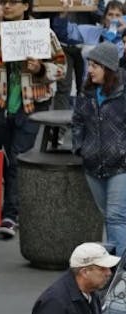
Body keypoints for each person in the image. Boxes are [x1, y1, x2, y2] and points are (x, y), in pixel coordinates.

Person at [0, 0, 66, 239]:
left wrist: (40, 69)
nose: (7, 6)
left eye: (13, 2)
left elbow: (61, 67)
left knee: (17, 156)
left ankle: (11, 214)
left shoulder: (42, 32)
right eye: (4, 2)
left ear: (25, 5)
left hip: (32, 103)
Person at [72, 42, 126, 257]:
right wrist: (80, 148)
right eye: (90, 64)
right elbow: (77, 121)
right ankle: (114, 268)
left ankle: (120, 273)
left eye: (95, 65)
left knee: (115, 216)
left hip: (121, 164)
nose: (90, 70)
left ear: (108, 67)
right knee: (109, 216)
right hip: (93, 164)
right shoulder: (86, 92)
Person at [29, 242, 119, 314]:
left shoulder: (91, 292)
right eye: (102, 269)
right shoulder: (55, 302)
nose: (109, 273)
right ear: (84, 272)